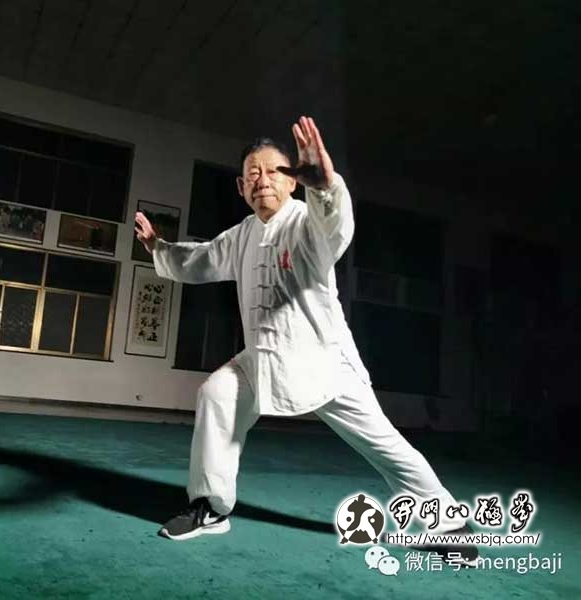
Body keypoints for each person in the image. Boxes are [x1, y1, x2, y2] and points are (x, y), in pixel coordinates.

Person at [134, 116, 477, 563]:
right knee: (216, 394)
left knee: (385, 445)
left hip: (323, 362)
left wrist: (326, 187)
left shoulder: (306, 223)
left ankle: (448, 522)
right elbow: (199, 259)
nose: (263, 179)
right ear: (241, 187)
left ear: (293, 181)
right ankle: (211, 508)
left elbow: (335, 227)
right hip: (260, 359)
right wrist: (159, 248)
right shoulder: (241, 235)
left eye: (275, 171)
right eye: (253, 173)